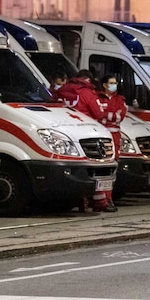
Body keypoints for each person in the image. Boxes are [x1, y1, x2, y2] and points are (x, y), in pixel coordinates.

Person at [53, 69, 109, 212]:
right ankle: (99, 203)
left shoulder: (62, 90)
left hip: (62, 133)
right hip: (85, 133)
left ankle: (79, 201)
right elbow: (98, 113)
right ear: (88, 80)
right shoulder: (87, 93)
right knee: (95, 168)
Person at [97, 74, 126, 212]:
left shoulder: (119, 100)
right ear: (104, 85)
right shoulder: (97, 98)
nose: (114, 85)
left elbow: (120, 116)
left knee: (111, 170)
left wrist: (105, 115)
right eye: (111, 82)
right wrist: (109, 116)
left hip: (114, 138)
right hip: (101, 136)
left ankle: (108, 198)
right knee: (101, 169)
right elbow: (97, 114)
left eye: (115, 82)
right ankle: (100, 200)